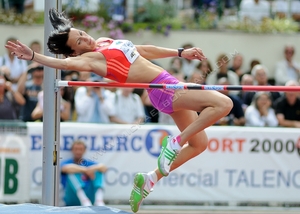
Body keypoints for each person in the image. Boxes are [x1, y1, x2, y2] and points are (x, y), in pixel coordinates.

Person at [5, 8, 233, 212]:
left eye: (82, 33)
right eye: (80, 42)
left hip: (165, 85)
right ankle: (175, 143)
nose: (86, 38)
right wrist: (34, 56)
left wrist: (180, 52)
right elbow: (64, 65)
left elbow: (143, 49)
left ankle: (150, 178)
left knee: (199, 144)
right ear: (75, 52)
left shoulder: (104, 40)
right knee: (224, 104)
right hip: (166, 90)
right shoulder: (90, 60)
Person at [60, 140, 107, 206]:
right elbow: (65, 168)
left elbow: (104, 167)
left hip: (90, 197)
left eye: (80, 149)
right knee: (71, 171)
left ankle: (99, 200)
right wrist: (85, 170)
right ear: (72, 150)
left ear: (84, 150)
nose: (78, 151)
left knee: (99, 171)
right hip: (72, 197)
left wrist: (93, 168)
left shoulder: (88, 163)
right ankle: (84, 200)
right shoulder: (67, 162)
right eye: (76, 149)